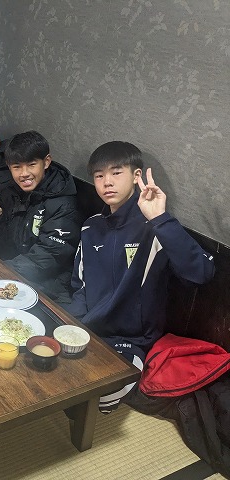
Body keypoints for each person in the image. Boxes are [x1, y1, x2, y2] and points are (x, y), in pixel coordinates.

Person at [66, 141, 215, 413]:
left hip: (131, 341)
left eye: (116, 173)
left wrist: (160, 219)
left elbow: (201, 273)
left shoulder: (155, 226)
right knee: (46, 374)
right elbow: (80, 285)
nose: (107, 182)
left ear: (136, 176)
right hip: (88, 330)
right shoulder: (90, 227)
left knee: (94, 401)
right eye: (99, 175)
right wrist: (70, 326)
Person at [0, 131, 81, 303]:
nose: (24, 173)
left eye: (32, 165)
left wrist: (1, 271)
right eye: (17, 167)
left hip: (48, 288)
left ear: (46, 162)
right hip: (14, 275)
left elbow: (50, 256)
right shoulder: (9, 192)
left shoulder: (63, 204)